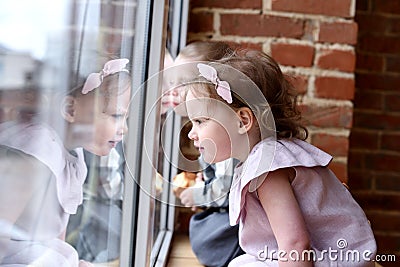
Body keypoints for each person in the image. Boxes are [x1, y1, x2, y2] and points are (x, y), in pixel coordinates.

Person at [184, 48, 377, 266]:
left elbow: (295, 245)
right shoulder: (266, 156)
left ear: (243, 121)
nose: (192, 133)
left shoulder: (266, 168)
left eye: (200, 121)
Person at [0, 58, 131, 267]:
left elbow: (56, 239)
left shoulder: (74, 157)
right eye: (116, 116)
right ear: (70, 110)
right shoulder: (36, 151)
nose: (124, 128)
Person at [167, 41, 244, 267]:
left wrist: (199, 195)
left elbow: (227, 189)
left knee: (205, 234)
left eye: (185, 82)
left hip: (238, 214)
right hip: (228, 202)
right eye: (175, 82)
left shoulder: (226, 135)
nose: (177, 90)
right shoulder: (213, 125)